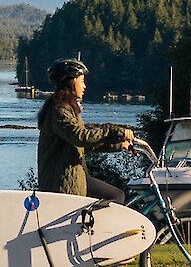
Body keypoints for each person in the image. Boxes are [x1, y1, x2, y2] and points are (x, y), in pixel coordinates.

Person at [36, 58, 132, 204]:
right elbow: (81, 136)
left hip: (74, 176)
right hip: (62, 182)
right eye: (81, 81)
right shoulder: (58, 110)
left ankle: (90, 225)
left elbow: (86, 141)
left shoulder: (67, 108)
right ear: (71, 82)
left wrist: (119, 145)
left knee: (117, 195)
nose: (85, 86)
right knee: (117, 196)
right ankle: (93, 226)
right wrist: (114, 132)